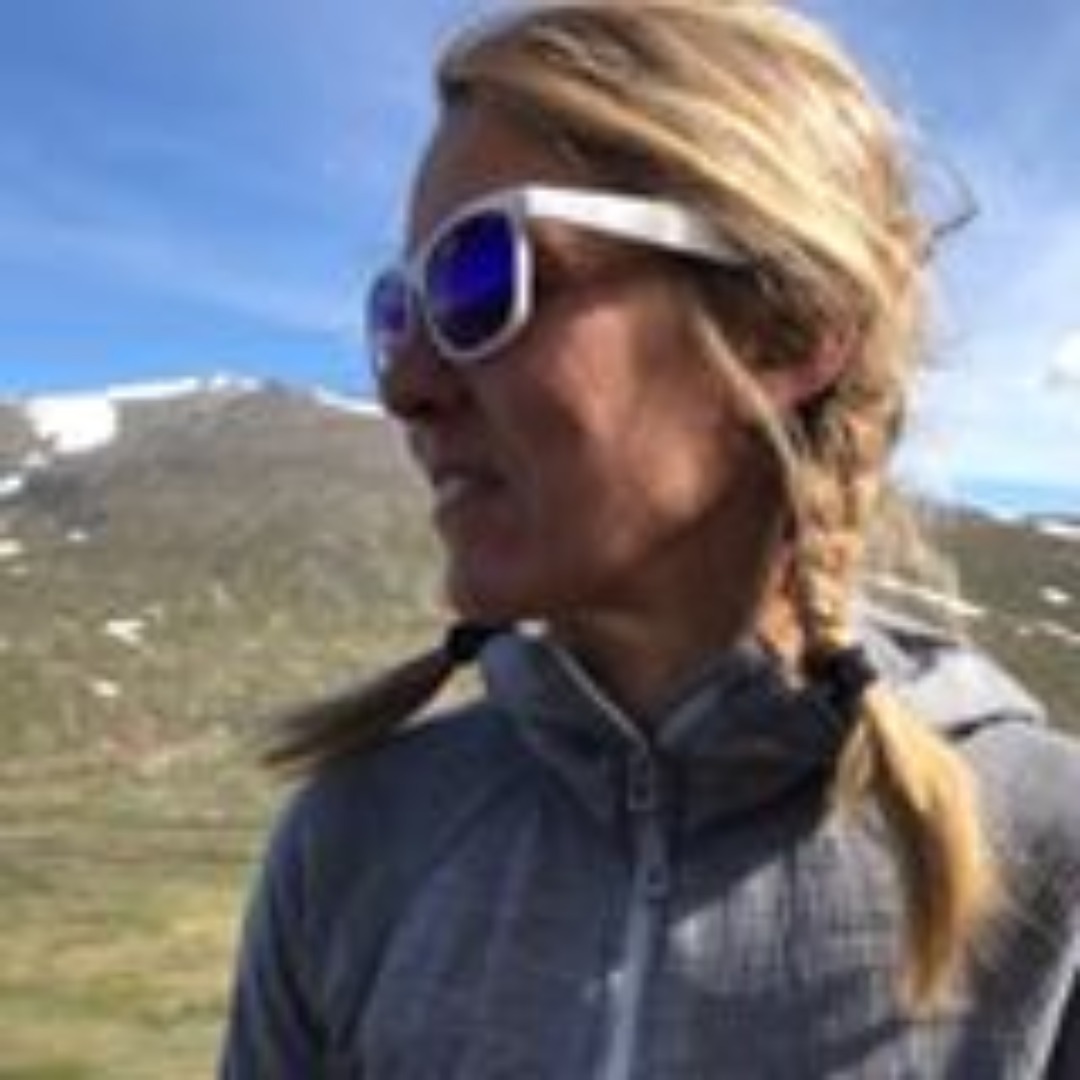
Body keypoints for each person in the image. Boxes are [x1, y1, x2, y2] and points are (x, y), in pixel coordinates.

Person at [220, 1, 1080, 1076]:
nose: (405, 384)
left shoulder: (1052, 860)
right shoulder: (355, 842)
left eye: (482, 276)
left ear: (789, 328)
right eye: (400, 311)